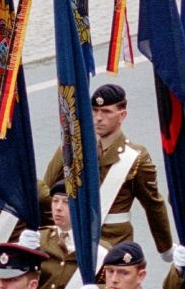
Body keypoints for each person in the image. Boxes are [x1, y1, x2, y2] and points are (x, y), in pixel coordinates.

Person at [40, 83, 175, 255]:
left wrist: (166, 248)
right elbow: (47, 190)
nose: (98, 118)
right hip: (75, 241)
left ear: (122, 115)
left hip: (114, 242)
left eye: (106, 112)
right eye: (95, 110)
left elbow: (153, 205)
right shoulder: (76, 148)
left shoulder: (135, 157)